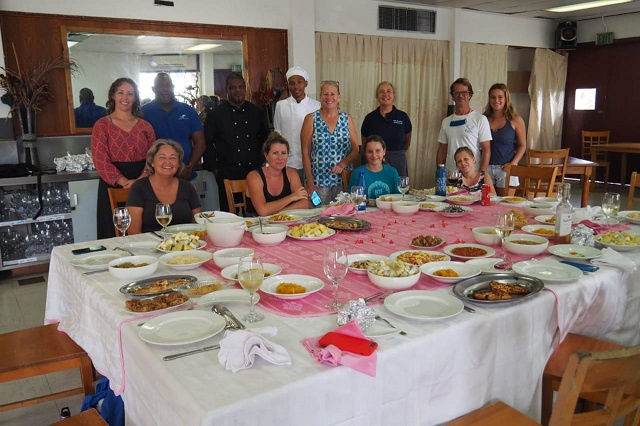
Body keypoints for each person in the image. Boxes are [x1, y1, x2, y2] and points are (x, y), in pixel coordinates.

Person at [91, 77, 156, 240]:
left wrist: (139, 181)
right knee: (112, 233)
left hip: (142, 182)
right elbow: (100, 160)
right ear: (113, 95)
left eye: (130, 94)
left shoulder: (145, 126)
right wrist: (124, 182)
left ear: (135, 98)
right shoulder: (102, 125)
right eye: (121, 93)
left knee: (144, 231)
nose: (125, 98)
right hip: (112, 184)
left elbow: (153, 157)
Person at [203, 72, 270, 212]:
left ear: (245, 89)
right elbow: (208, 143)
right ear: (226, 90)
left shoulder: (257, 113)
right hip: (227, 172)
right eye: (233, 87)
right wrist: (215, 170)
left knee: (255, 212)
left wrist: (263, 163)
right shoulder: (215, 114)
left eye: (241, 87)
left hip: (253, 171)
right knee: (228, 217)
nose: (237, 90)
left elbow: (266, 140)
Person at [300, 80, 359, 205]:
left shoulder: (347, 119)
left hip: (343, 180)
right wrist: (309, 182)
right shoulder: (311, 119)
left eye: (333, 94)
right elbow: (305, 152)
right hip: (318, 181)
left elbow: (355, 150)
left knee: (344, 218)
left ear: (339, 97)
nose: (329, 97)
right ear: (320, 96)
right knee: (318, 217)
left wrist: (343, 164)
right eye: (325, 94)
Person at [127, 139, 202, 234]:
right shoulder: (139, 187)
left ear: (178, 164)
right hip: (149, 245)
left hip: (183, 245)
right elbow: (134, 233)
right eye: (162, 157)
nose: (168, 162)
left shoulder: (187, 187)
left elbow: (198, 224)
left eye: (173, 158)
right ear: (152, 162)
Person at [141, 73, 205, 181]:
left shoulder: (188, 110)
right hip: (154, 177)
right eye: (161, 86)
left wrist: (189, 167)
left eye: (168, 85)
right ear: (153, 89)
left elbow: (200, 142)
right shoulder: (143, 113)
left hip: (185, 176)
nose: (165, 89)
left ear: (173, 87)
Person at [273, 66, 321, 183]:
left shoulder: (316, 106)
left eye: (300, 82)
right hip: (288, 161)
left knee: (310, 196)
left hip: (311, 162)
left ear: (306, 83)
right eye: (291, 83)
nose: (296, 87)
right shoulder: (281, 105)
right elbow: (278, 131)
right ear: (288, 85)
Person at [436, 78, 492, 174]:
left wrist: (481, 174)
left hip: (472, 174)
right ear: (452, 96)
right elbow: (442, 150)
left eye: (464, 92)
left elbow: (487, 150)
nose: (460, 95)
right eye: (456, 93)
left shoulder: (480, 119)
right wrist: (440, 172)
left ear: (470, 95)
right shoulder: (446, 122)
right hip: (452, 174)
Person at [245, 132, 308, 216]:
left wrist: (278, 213)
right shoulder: (254, 177)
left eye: (283, 153)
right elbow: (263, 211)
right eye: (275, 153)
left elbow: (304, 203)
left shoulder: (291, 173)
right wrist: (292, 197)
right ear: (266, 155)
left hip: (285, 222)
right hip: (257, 225)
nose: (280, 158)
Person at [483, 83, 527, 196]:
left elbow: (522, 145)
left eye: (500, 97)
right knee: (487, 205)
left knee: (505, 206)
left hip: (506, 169)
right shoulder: (483, 119)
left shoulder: (515, 119)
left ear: (506, 98)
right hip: (486, 168)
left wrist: (513, 164)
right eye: (493, 97)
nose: (496, 100)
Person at [361, 82, 412, 176]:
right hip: (375, 160)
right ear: (377, 96)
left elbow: (407, 141)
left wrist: (396, 155)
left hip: (398, 160)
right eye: (381, 92)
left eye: (389, 91)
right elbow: (365, 142)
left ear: (394, 96)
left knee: (399, 189)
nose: (385, 94)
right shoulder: (370, 118)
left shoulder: (402, 117)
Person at [347, 135, 400, 199]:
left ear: (384, 152)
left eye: (378, 151)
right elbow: (352, 200)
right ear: (365, 153)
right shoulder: (357, 174)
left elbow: (398, 198)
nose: (374, 155)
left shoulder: (392, 172)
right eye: (370, 151)